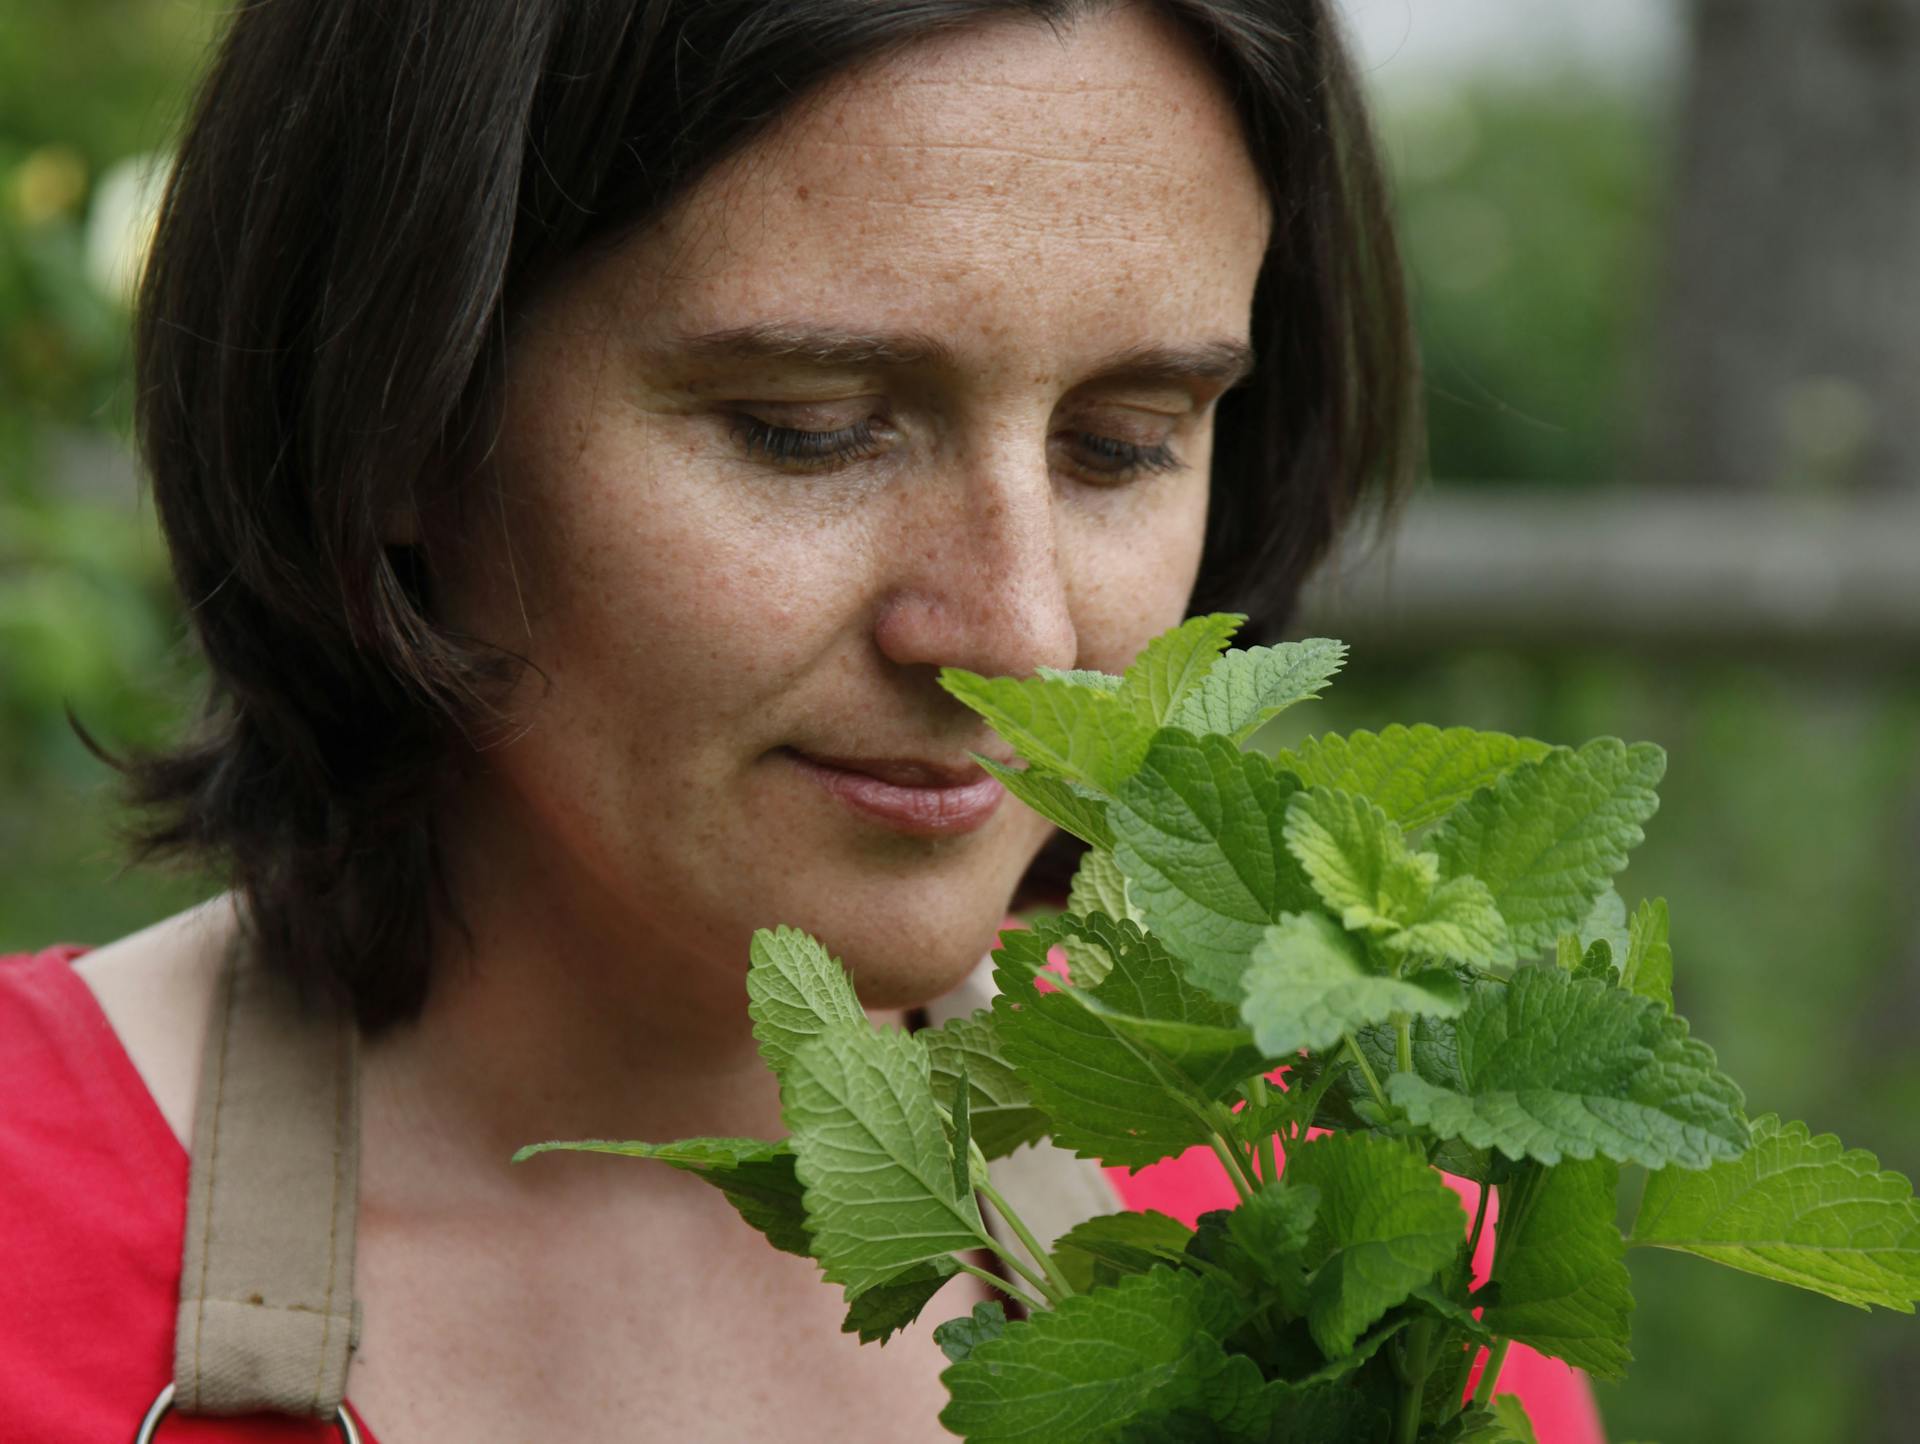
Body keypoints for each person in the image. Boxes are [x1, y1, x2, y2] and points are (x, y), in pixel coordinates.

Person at [0, 1, 1602, 1439]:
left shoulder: (1358, 1285)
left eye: (1122, 443)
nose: (1022, 633)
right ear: (394, 419)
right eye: (809, 431)